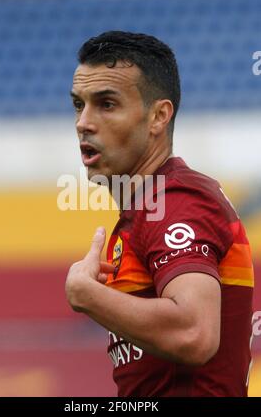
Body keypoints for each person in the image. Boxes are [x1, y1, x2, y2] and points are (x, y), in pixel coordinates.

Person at [65, 31, 254, 397]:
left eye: (106, 104)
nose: (83, 122)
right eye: (78, 104)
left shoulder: (176, 199)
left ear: (158, 117)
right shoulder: (146, 208)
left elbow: (194, 333)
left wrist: (86, 294)